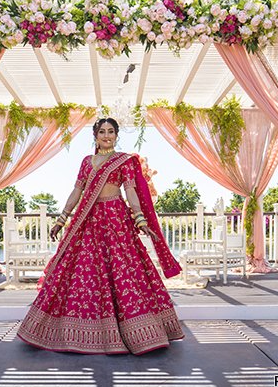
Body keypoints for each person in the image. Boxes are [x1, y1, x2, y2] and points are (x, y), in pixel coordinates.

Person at [17, 118, 184, 354]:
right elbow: (77, 191)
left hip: (116, 219)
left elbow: (131, 191)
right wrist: (61, 218)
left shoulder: (124, 161)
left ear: (116, 135)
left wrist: (140, 218)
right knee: (84, 272)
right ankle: (75, 332)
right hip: (89, 221)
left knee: (125, 271)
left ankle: (139, 333)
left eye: (111, 131)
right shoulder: (87, 162)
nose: (107, 135)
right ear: (95, 135)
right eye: (102, 131)